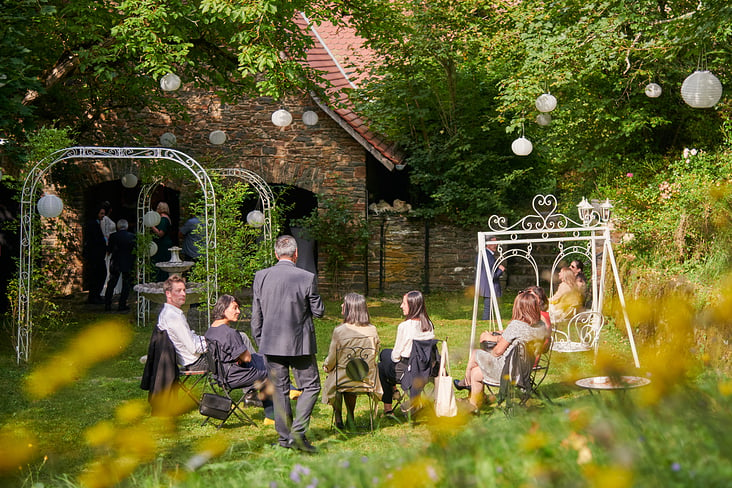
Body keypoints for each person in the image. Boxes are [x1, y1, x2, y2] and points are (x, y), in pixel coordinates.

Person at [251, 235, 325, 453]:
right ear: (296, 254)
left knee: (280, 391)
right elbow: (319, 312)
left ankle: (285, 440)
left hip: (271, 343)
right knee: (311, 386)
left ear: (276, 254)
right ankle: (297, 435)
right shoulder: (307, 277)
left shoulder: (261, 276)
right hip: (299, 343)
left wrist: (260, 341)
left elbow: (256, 315)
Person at [455, 290, 549, 410]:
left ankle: (466, 383)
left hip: (507, 372)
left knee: (475, 354)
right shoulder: (541, 326)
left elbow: (497, 352)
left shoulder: (516, 325)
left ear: (519, 308)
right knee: (476, 372)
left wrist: (494, 346)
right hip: (525, 371)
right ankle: (475, 403)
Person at [205, 294, 274, 423]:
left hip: (219, 376)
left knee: (261, 359)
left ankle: (290, 391)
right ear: (223, 309)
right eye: (235, 308)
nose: (238, 311)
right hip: (234, 376)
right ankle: (272, 416)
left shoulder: (210, 331)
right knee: (271, 373)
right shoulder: (230, 333)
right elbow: (247, 358)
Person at [322, 293, 381, 430]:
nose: (341, 305)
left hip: (343, 379)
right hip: (366, 378)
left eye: (344, 303)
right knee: (351, 374)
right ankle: (350, 416)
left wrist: (327, 366)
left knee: (335, 376)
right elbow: (375, 353)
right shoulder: (373, 330)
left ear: (351, 308)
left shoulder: (340, 331)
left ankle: (338, 418)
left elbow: (332, 358)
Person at [378, 290, 435, 416]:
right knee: (384, 358)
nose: (401, 306)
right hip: (426, 371)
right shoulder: (429, 324)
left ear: (412, 306)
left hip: (407, 372)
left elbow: (396, 356)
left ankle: (389, 407)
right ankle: (391, 396)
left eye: (404, 303)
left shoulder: (404, 326)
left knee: (382, 363)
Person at [156, 274, 207, 371]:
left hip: (190, 360)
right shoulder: (174, 317)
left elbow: (188, 339)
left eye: (184, 290)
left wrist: (207, 339)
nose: (183, 294)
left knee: (235, 342)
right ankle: (242, 381)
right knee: (237, 339)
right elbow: (194, 348)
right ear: (168, 294)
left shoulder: (166, 313)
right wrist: (213, 343)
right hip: (196, 362)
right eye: (178, 291)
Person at [104, 219, 135, 312]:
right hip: (128, 262)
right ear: (127, 226)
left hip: (116, 262)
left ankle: (107, 304)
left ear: (117, 227)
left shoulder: (113, 236)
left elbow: (109, 250)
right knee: (126, 285)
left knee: (112, 283)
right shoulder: (132, 236)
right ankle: (122, 304)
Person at [83, 205, 108, 304]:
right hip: (95, 255)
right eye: (101, 213)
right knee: (97, 275)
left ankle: (96, 295)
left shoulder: (96, 223)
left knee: (100, 275)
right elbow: (94, 240)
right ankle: (94, 296)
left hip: (98, 255)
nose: (103, 216)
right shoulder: (92, 224)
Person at [478, 237, 505, 321]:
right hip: (489, 286)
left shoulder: (483, 254)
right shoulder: (488, 256)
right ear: (488, 244)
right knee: (488, 307)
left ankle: (489, 320)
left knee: (489, 306)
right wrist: (501, 270)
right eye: (493, 243)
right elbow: (491, 275)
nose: (496, 245)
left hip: (485, 286)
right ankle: (486, 321)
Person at [151, 202, 173, 282]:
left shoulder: (164, 219)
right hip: (162, 244)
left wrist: (152, 226)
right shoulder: (164, 218)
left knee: (161, 263)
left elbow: (160, 233)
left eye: (158, 207)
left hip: (162, 245)